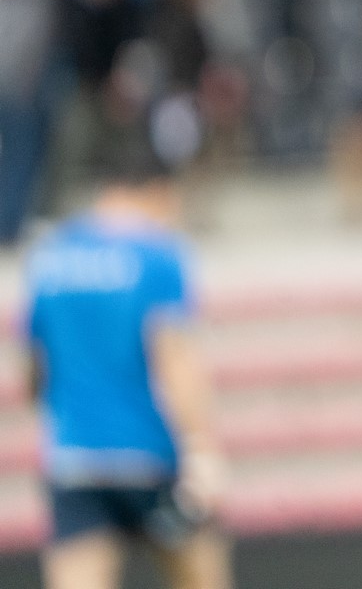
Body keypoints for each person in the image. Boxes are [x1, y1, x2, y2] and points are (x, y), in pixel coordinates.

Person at [20, 141, 231, 589]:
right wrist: (202, 449)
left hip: (76, 458)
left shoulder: (50, 255)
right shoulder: (156, 256)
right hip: (149, 455)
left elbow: (34, 368)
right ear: (158, 191)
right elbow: (173, 358)